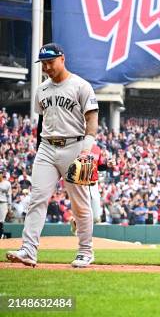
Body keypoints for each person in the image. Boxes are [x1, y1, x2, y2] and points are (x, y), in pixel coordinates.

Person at [6, 43, 99, 268]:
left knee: (80, 204)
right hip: (47, 147)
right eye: (44, 64)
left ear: (62, 59)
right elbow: (42, 122)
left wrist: (86, 150)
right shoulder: (42, 89)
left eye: (50, 62)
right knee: (37, 198)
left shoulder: (80, 86)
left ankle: (86, 251)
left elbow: (92, 120)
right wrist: (39, 149)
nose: (47, 67)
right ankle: (29, 250)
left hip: (75, 146)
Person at [0, 173, 11, 238]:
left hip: (3, 203)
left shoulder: (7, 183)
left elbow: (9, 195)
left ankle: (1, 235)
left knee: (1, 221)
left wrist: (9, 207)